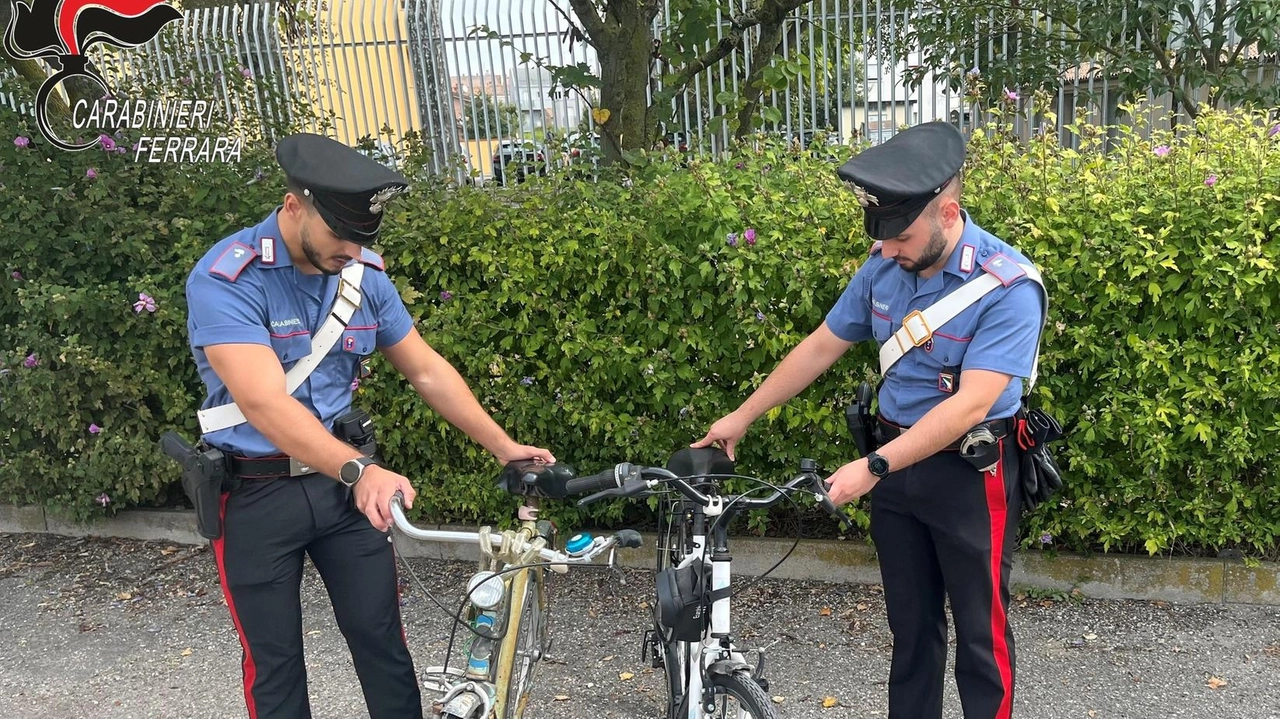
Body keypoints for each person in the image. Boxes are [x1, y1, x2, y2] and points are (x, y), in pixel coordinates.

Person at [183, 132, 556, 719]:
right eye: (341, 234)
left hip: (343, 495)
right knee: (274, 664)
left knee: (382, 643)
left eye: (363, 238)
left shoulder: (362, 277)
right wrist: (360, 471)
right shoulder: (228, 279)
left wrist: (504, 447)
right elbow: (262, 403)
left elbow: (426, 370)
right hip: (255, 494)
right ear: (293, 206)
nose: (352, 251)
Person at [694, 121, 1047, 719]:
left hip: (969, 474)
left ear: (949, 213)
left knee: (981, 641)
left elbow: (970, 405)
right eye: (881, 237)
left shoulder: (1008, 287)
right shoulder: (885, 264)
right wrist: (743, 415)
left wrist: (874, 466)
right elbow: (820, 346)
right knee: (911, 635)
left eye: (902, 236)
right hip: (892, 470)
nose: (888, 250)